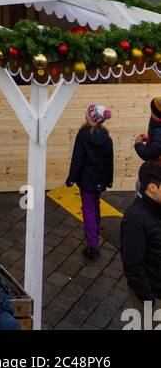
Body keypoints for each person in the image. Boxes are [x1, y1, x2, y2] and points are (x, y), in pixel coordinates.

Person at [66, 103, 115, 260]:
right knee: (95, 205)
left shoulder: (83, 134)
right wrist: (109, 181)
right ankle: (94, 230)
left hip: (87, 180)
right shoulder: (107, 137)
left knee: (87, 209)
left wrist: (71, 178)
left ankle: (93, 245)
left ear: (90, 117)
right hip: (100, 180)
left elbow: (77, 158)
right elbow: (109, 161)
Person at [119, 162, 161, 323]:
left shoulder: (155, 208)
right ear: (153, 187)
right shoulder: (135, 219)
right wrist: (149, 300)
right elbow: (133, 264)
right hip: (153, 300)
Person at [135, 95, 161, 164]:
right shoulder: (157, 125)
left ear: (156, 116)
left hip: (157, 168)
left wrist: (138, 143)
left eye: (152, 111)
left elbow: (148, 155)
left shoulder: (159, 132)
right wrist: (150, 139)